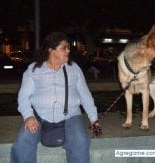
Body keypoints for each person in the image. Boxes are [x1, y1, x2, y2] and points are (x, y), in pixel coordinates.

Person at [10, 32, 101, 163]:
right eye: (64, 47)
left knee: (80, 140)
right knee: (23, 141)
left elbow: (85, 95)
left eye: (68, 47)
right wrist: (28, 115)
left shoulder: (74, 68)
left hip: (71, 116)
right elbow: (23, 97)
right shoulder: (34, 69)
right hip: (39, 116)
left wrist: (94, 119)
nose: (68, 50)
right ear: (51, 50)